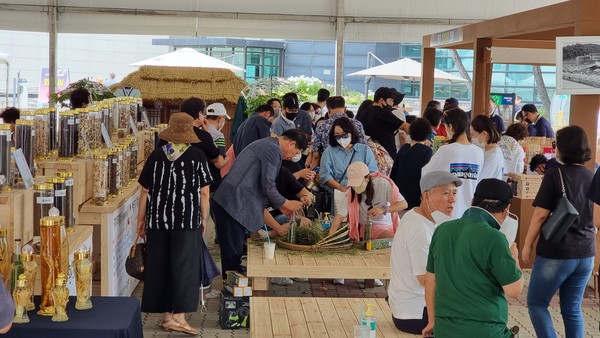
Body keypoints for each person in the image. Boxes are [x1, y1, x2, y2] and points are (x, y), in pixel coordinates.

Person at [137, 113, 213, 336]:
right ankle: (178, 318)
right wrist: (204, 218)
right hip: (185, 221)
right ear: (189, 132)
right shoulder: (197, 156)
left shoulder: (157, 155)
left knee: (159, 266)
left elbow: (144, 190)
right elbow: (205, 192)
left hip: (157, 221)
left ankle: (166, 317)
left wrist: (141, 220)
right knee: (184, 268)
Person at [423, 178, 524, 337]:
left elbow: (430, 280)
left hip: (445, 329)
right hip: (485, 330)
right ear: (506, 210)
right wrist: (515, 257)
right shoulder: (495, 237)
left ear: (472, 201)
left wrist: (432, 320)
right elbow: (514, 289)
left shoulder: (442, 230)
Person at [523, 125, 595, 338]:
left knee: (536, 303)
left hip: (557, 252)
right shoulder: (593, 176)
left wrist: (527, 244)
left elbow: (540, 215)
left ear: (563, 148)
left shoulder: (555, 174)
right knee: (572, 309)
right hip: (586, 254)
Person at [213, 129, 307, 277]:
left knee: (235, 249)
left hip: (234, 201)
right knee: (232, 251)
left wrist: (281, 205)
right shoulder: (273, 149)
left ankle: (235, 280)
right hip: (232, 202)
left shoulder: (268, 145)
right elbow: (268, 185)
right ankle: (232, 290)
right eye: (296, 152)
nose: (293, 157)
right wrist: (286, 203)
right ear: (291, 143)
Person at [389, 171, 461, 334]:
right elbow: (427, 280)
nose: (452, 199)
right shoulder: (419, 228)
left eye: (454, 193)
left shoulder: (419, 216)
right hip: (414, 313)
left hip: (408, 306)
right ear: (426, 196)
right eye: (445, 193)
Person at [422, 108, 484, 218]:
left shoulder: (446, 150)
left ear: (450, 127)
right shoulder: (479, 152)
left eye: (445, 127)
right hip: (468, 212)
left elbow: (426, 174)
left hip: (446, 210)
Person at [330, 161, 407, 240]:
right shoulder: (351, 193)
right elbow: (339, 217)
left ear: (367, 177)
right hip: (369, 228)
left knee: (403, 239)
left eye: (358, 183)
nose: (356, 187)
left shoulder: (382, 184)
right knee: (396, 240)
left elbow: (403, 204)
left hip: (390, 225)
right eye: (353, 185)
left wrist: (383, 209)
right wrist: (329, 239)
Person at [158, 97, 227, 170]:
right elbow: (216, 159)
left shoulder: (165, 136)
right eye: (203, 114)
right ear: (200, 114)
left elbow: (159, 155)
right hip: (196, 179)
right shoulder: (204, 136)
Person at [320, 117, 378, 199]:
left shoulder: (364, 150)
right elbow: (325, 175)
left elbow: (373, 172)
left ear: (352, 133)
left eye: (344, 135)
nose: (341, 139)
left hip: (362, 191)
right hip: (339, 193)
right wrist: (340, 187)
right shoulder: (329, 152)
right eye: (337, 136)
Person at [311, 96, 366, 170]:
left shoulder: (322, 126)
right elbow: (363, 148)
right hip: (353, 168)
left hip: (330, 168)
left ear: (329, 110)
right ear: (345, 108)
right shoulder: (357, 124)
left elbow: (316, 155)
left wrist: (312, 171)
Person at [391, 118, 433, 210]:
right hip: (415, 197)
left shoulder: (404, 148)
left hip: (399, 197)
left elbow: (393, 173)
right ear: (427, 133)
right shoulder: (427, 151)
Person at [357, 86, 409, 158]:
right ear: (382, 100)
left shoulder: (365, 113)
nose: (391, 104)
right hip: (385, 155)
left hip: (369, 154)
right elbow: (405, 127)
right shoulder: (383, 113)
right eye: (390, 101)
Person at [471, 115, 504, 180]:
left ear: (484, 134)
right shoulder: (486, 150)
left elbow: (480, 179)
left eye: (473, 134)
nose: (472, 138)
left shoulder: (493, 156)